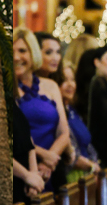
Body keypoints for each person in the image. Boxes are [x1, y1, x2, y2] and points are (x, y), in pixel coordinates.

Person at [13, 27, 70, 191]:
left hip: (53, 166)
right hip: (25, 168)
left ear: (33, 52)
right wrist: (42, 156)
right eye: (13, 51)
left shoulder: (51, 86)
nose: (16, 57)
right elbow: (19, 136)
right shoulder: (11, 89)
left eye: (22, 50)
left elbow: (64, 132)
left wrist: (48, 163)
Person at [59, 62, 100, 175]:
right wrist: (91, 167)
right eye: (64, 80)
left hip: (88, 174)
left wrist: (95, 164)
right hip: (72, 177)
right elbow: (71, 154)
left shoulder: (72, 110)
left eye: (72, 79)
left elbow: (88, 144)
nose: (70, 84)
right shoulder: (58, 112)